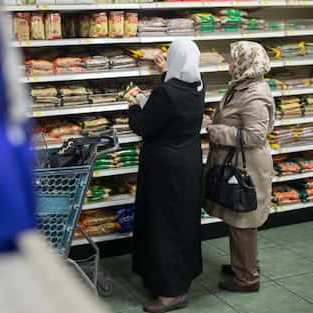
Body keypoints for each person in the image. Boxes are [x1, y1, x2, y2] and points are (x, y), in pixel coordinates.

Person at [127, 38, 204, 313]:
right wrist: (164, 72)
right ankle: (177, 279)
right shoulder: (197, 85)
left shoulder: (166, 94)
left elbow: (143, 126)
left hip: (164, 169)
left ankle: (171, 293)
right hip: (188, 163)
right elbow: (175, 101)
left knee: (162, 225)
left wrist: (134, 104)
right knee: (181, 222)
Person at [204, 41, 275, 292]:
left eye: (233, 59)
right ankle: (243, 265)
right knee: (237, 219)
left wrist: (216, 131)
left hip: (248, 168)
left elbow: (255, 136)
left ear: (246, 62)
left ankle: (247, 278)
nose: (230, 63)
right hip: (237, 163)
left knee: (242, 223)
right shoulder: (242, 85)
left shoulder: (255, 94)